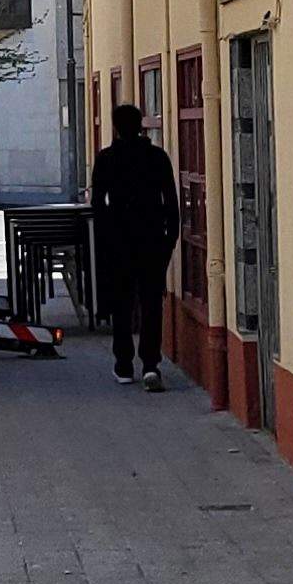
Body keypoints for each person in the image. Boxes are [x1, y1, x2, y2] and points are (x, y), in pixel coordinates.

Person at [90, 102, 181, 390]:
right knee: (151, 303)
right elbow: (171, 202)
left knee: (121, 304)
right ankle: (151, 364)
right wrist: (170, 239)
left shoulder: (106, 159)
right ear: (141, 125)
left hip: (119, 241)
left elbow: (97, 204)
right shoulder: (157, 157)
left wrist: (105, 238)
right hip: (152, 239)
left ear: (116, 127)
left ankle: (123, 364)